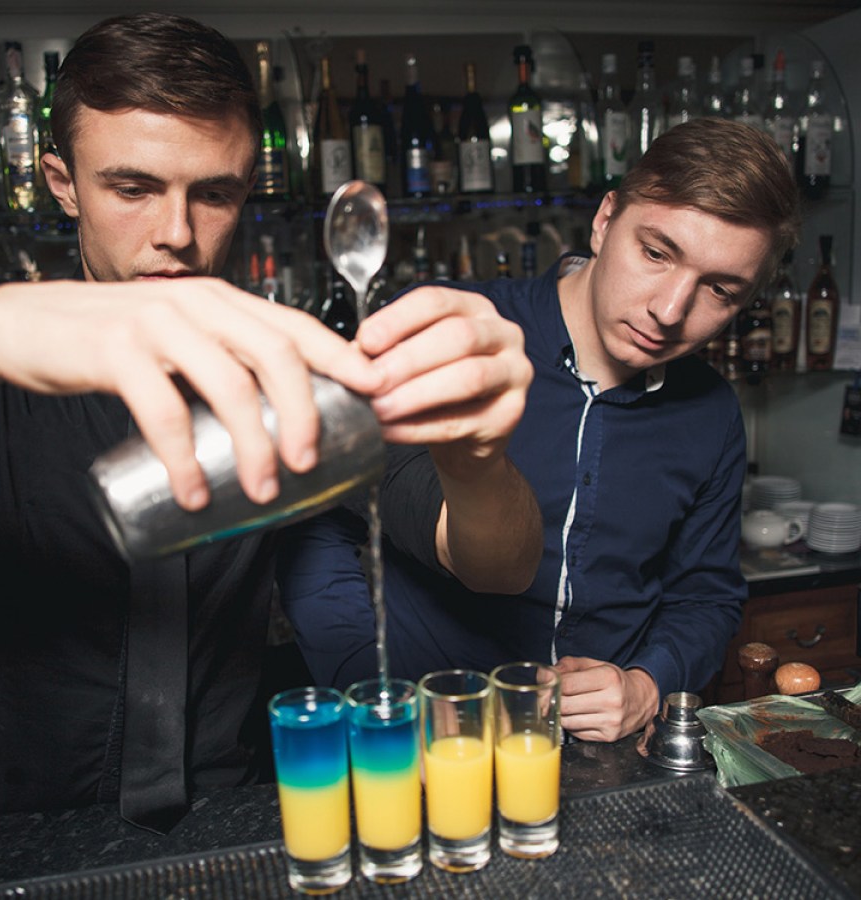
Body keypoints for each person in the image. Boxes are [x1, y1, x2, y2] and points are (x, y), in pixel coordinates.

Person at [0, 13, 538, 828]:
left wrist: (479, 461)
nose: (176, 233)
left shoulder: (286, 359)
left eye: (215, 195)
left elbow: (499, 566)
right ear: (62, 182)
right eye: (133, 186)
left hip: (223, 821)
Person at [279, 117, 801, 743]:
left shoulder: (711, 413)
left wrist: (647, 683)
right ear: (606, 220)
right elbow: (323, 527)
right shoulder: (454, 335)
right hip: (427, 749)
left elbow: (706, 597)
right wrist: (363, 683)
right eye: (656, 253)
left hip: (600, 760)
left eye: (718, 289)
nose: (669, 312)